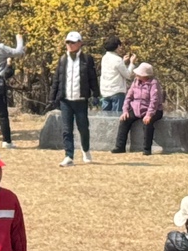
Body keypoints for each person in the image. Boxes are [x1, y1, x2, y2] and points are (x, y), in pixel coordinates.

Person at [50, 31, 100, 167]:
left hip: (81, 99)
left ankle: (85, 149)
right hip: (65, 100)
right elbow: (57, 79)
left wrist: (96, 94)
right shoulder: (62, 59)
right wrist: (52, 98)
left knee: (83, 127)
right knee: (67, 129)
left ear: (80, 43)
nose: (70, 45)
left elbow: (92, 78)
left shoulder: (87, 59)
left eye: (72, 42)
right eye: (68, 42)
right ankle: (69, 155)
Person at [113, 63, 163, 155]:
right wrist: (125, 111)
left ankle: (147, 149)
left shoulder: (153, 83)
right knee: (124, 120)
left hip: (153, 110)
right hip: (136, 109)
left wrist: (149, 115)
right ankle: (120, 147)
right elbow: (128, 97)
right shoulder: (135, 82)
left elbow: (154, 100)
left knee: (147, 123)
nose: (136, 75)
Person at [99, 36, 136, 114]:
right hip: (117, 92)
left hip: (105, 92)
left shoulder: (104, 58)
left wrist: (123, 62)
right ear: (117, 46)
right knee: (116, 117)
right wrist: (132, 63)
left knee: (105, 117)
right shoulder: (117, 59)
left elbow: (114, 69)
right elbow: (128, 75)